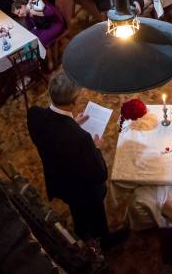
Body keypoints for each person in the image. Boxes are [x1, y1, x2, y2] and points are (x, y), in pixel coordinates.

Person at [26, 71, 127, 249]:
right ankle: (104, 240)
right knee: (95, 212)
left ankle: (81, 230)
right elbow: (100, 174)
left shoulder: (34, 114)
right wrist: (96, 147)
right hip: (84, 189)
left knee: (77, 209)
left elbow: (49, 137)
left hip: (58, 179)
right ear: (73, 102)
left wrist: (73, 124)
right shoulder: (81, 139)